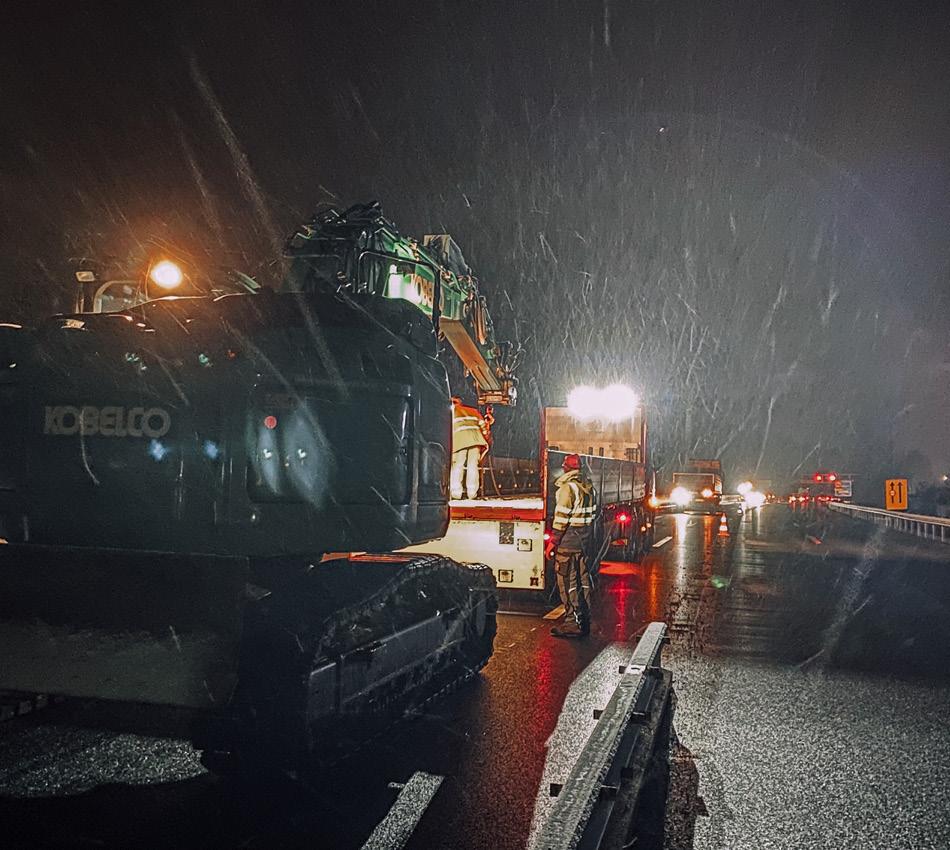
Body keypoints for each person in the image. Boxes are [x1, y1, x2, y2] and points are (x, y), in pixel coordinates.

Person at [549, 453, 597, 638]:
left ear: (567, 468)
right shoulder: (589, 487)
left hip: (568, 542)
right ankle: (584, 621)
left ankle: (571, 622)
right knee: (583, 582)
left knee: (567, 582)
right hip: (583, 541)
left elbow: (561, 519)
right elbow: (592, 515)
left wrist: (553, 543)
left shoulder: (567, 488)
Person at [451, 398, 490, 500]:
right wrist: (485, 438)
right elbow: (483, 426)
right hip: (475, 440)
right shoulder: (473, 411)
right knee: (473, 466)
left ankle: (456, 493)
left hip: (460, 440)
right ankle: (472, 493)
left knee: (458, 465)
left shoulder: (451, 412)